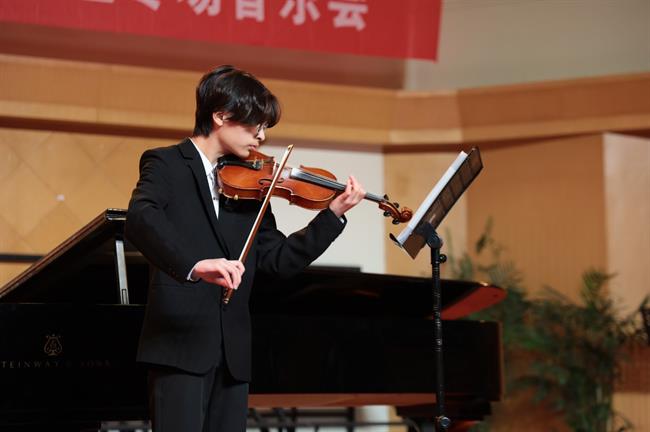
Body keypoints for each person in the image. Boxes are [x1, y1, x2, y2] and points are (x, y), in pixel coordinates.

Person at [125, 65, 365, 432]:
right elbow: (142, 218)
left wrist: (331, 216)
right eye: (255, 126)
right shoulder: (165, 162)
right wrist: (195, 266)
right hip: (179, 345)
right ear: (220, 116)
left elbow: (276, 261)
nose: (262, 137)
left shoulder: (251, 183)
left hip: (233, 355)